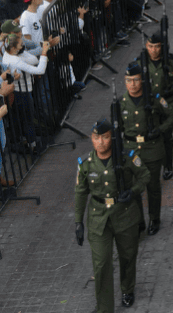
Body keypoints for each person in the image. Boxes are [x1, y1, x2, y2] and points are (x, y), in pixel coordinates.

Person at [74, 119, 149, 312]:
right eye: (96, 138)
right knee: (101, 264)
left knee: (127, 256)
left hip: (124, 214)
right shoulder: (86, 163)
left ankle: (127, 289)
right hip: (99, 219)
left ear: (111, 138)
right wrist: (78, 222)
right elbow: (81, 192)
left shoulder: (127, 157)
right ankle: (104, 308)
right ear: (92, 139)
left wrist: (133, 192)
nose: (101, 142)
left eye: (105, 137)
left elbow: (145, 176)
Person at [118, 62, 173, 236]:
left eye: (136, 80)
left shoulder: (155, 99)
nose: (133, 84)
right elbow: (118, 129)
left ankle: (154, 218)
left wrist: (160, 130)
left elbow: (172, 116)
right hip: (131, 150)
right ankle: (139, 221)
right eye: (129, 80)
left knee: (152, 186)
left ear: (142, 80)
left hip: (152, 149)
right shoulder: (121, 103)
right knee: (134, 187)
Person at [143, 32, 173, 180]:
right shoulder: (141, 62)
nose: (154, 50)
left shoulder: (170, 60)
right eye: (151, 46)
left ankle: (168, 166)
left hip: (168, 103)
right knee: (151, 134)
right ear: (146, 46)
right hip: (150, 104)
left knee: (166, 136)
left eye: (157, 47)